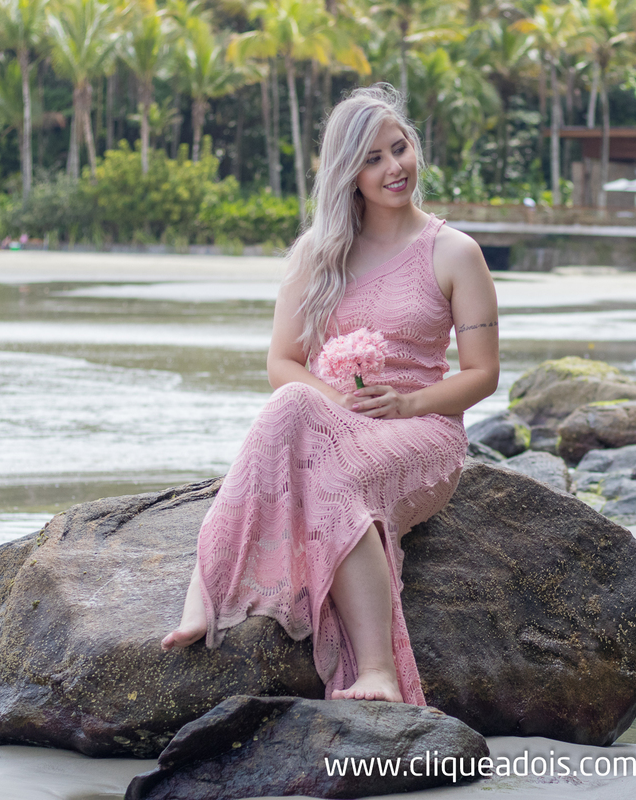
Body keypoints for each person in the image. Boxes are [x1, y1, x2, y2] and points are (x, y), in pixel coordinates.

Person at [160, 85, 500, 705]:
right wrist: (336, 405)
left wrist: (406, 403)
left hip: (421, 432)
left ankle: (378, 672)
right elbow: (282, 363)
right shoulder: (318, 254)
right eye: (373, 159)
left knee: (330, 475)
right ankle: (206, 589)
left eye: (399, 149)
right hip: (336, 419)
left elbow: (483, 375)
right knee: (293, 406)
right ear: (348, 173)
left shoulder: (454, 253)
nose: (393, 168)